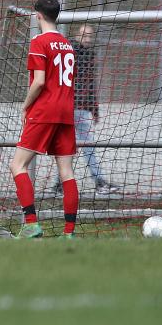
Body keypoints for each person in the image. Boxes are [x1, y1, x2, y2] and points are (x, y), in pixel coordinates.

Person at [9, 0, 79, 239]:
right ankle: (69, 233)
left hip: (44, 110)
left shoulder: (39, 41)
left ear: (38, 15)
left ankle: (30, 223)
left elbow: (39, 81)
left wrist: (25, 107)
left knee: (18, 165)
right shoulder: (68, 44)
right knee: (66, 172)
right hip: (66, 111)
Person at [51, 24, 119, 196]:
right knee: (84, 146)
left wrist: (94, 110)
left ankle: (60, 185)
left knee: (73, 147)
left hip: (79, 109)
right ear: (77, 35)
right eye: (84, 35)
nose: (88, 39)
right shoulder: (72, 52)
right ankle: (99, 182)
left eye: (90, 36)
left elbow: (90, 85)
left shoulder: (88, 54)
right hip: (71, 108)